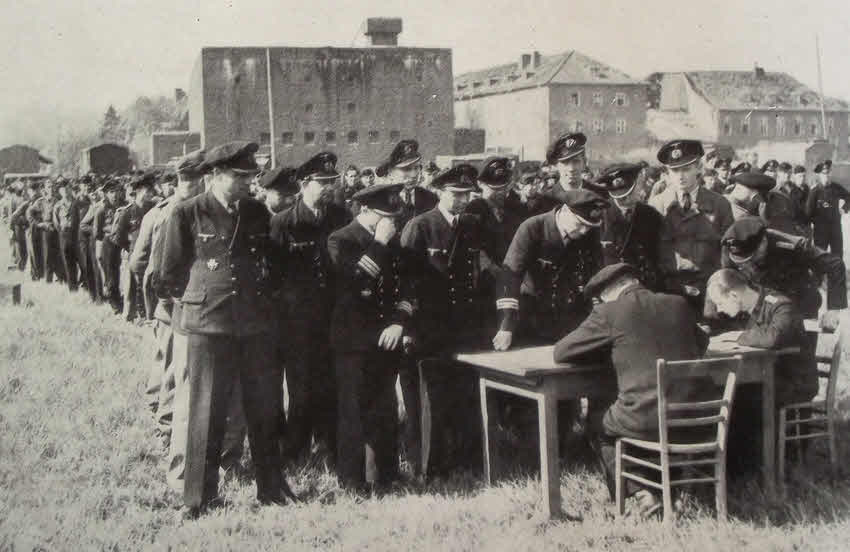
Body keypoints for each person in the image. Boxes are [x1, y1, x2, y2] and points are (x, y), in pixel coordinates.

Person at [158, 141, 292, 514]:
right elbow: (170, 272)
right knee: (206, 412)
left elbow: (273, 263)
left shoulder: (256, 212)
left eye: (250, 177)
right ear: (215, 175)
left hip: (253, 325)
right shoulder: (188, 213)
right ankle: (199, 498)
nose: (247, 184)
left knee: (263, 409)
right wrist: (194, 307)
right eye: (239, 177)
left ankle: (272, 489)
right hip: (209, 324)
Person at [553, 263, 709, 517]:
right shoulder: (678, 303)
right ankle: (677, 489)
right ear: (634, 281)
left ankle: (642, 493)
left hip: (648, 420)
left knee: (597, 422)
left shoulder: (609, 312)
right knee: (631, 413)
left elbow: (562, 352)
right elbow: (702, 342)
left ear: (607, 294)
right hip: (696, 417)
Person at [400, 163, 487, 475]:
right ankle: (426, 467)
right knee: (427, 401)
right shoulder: (420, 226)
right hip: (428, 326)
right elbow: (405, 281)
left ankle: (463, 460)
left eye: (466, 194)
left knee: (463, 395)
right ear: (438, 191)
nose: (462, 200)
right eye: (455, 194)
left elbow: (484, 270)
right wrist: (408, 328)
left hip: (463, 326)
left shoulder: (473, 225)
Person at [327, 180, 414, 492]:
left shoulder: (391, 240)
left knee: (385, 405)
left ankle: (385, 473)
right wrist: (378, 243)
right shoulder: (341, 239)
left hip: (386, 335)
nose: (391, 223)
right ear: (364, 209)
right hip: (352, 339)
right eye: (383, 215)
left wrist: (399, 322)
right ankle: (351, 477)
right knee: (353, 407)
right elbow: (354, 281)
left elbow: (406, 287)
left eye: (394, 217)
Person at [270, 151, 351, 463]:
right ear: (304, 184)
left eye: (332, 181)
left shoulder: (340, 218)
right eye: (322, 182)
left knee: (332, 385)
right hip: (298, 322)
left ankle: (330, 447)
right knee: (301, 388)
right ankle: (297, 451)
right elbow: (274, 277)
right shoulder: (283, 223)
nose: (329, 187)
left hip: (334, 316)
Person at [706, 268, 814, 475]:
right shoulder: (751, 309)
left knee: (739, 399)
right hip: (768, 378)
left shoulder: (781, 305)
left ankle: (755, 467)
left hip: (794, 381)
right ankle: (738, 467)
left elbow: (772, 338)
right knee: (728, 396)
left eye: (720, 303)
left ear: (734, 295)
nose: (719, 309)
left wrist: (737, 337)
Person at [649, 139, 733, 312]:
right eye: (675, 170)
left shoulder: (720, 204)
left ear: (699, 168)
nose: (680, 176)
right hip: (667, 292)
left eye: (686, 169)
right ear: (667, 173)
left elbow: (727, 253)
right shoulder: (656, 205)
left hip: (708, 293)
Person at [712, 216, 847, 323]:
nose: (748, 264)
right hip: (761, 310)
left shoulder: (789, 245)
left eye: (751, 258)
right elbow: (727, 284)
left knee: (798, 355)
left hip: (800, 306)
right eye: (744, 262)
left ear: (763, 243)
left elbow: (835, 265)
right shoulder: (731, 249)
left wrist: (833, 310)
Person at [594, 163, 668, 291]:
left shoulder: (651, 215)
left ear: (637, 186)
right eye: (620, 198)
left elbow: (659, 255)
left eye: (629, 193)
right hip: (613, 287)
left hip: (647, 286)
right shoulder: (598, 217)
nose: (626, 200)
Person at [111, 172, 155, 321]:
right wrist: (131, 248)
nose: (150, 194)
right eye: (147, 191)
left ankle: (146, 315)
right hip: (133, 254)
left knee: (147, 286)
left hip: (150, 254)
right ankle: (129, 316)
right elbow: (119, 238)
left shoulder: (154, 209)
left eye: (151, 191)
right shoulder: (127, 212)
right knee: (130, 288)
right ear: (138, 192)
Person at [379, 139, 437, 227]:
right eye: (406, 169)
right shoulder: (380, 200)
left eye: (417, 168)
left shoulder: (431, 198)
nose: (414, 175)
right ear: (390, 172)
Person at [532, 132, 589, 213]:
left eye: (576, 161)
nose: (571, 168)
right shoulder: (545, 201)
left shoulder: (600, 195)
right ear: (556, 166)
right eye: (565, 163)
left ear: (584, 163)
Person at [805, 160, 850, 259]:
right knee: (820, 258)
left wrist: (844, 208)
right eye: (824, 174)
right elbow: (808, 213)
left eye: (828, 173)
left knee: (838, 257)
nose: (827, 176)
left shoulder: (836, 187)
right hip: (821, 231)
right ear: (819, 175)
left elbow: (848, 197)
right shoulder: (814, 192)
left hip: (835, 229)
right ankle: (819, 275)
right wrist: (817, 222)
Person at [764, 163, 808, 235]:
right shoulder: (773, 190)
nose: (787, 175)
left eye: (789, 172)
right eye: (784, 173)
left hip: (797, 226)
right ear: (778, 173)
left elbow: (801, 208)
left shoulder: (796, 188)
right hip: (781, 227)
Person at [52, 179, 79, 291]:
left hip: (75, 235)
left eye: (66, 188)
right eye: (62, 189)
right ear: (59, 191)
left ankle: (79, 283)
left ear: (69, 189)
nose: (65, 191)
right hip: (64, 235)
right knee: (67, 261)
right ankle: (72, 287)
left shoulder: (76, 203)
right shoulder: (57, 206)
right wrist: (62, 231)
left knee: (79, 261)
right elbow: (56, 222)